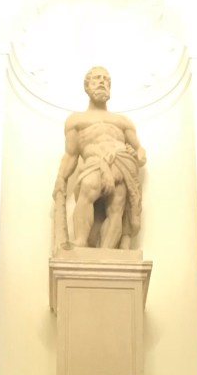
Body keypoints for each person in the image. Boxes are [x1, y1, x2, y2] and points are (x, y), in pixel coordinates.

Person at [53, 65, 147, 251]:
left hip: (121, 163)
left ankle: (107, 251)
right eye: (96, 78)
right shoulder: (76, 120)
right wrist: (61, 178)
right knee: (88, 188)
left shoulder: (122, 121)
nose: (102, 82)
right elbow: (71, 155)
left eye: (106, 79)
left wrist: (139, 157)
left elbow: (139, 149)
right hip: (94, 164)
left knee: (117, 206)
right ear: (87, 87)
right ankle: (81, 240)